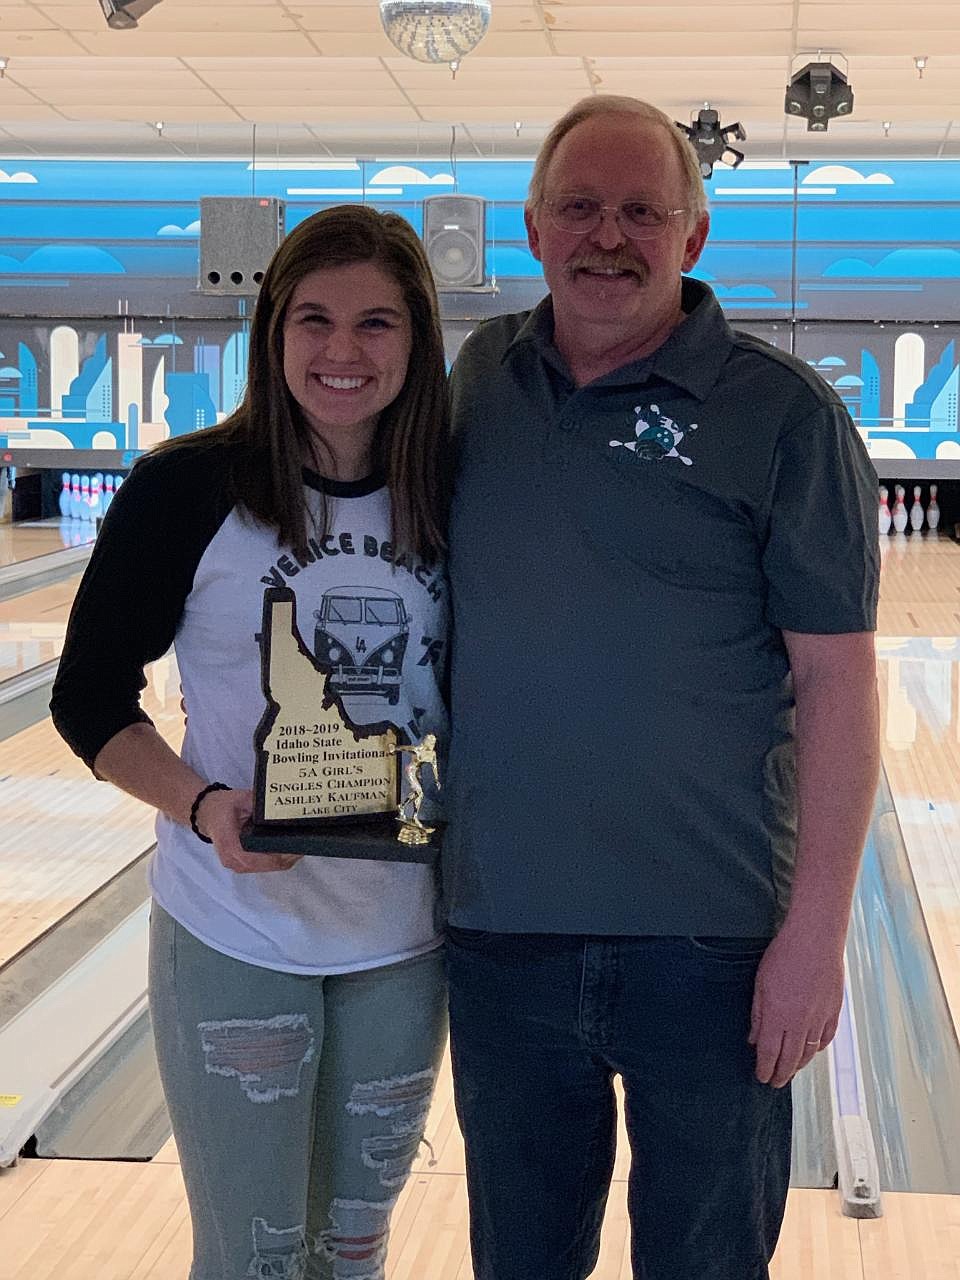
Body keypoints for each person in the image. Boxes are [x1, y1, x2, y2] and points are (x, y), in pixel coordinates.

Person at [443, 95, 880, 1280]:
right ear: (532, 227)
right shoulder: (476, 383)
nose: (608, 235)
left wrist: (818, 934)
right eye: (580, 206)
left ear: (692, 237)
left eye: (644, 210)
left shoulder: (785, 416)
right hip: (502, 936)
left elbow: (837, 679)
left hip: (717, 943)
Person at [50, 205, 450, 1280]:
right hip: (235, 932)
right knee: (256, 1259)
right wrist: (203, 803)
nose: (341, 351)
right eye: (313, 319)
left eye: (375, 323)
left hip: (404, 942)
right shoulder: (188, 488)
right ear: (272, 333)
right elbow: (89, 696)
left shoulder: (453, 493)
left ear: (417, 338)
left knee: (352, 1253)